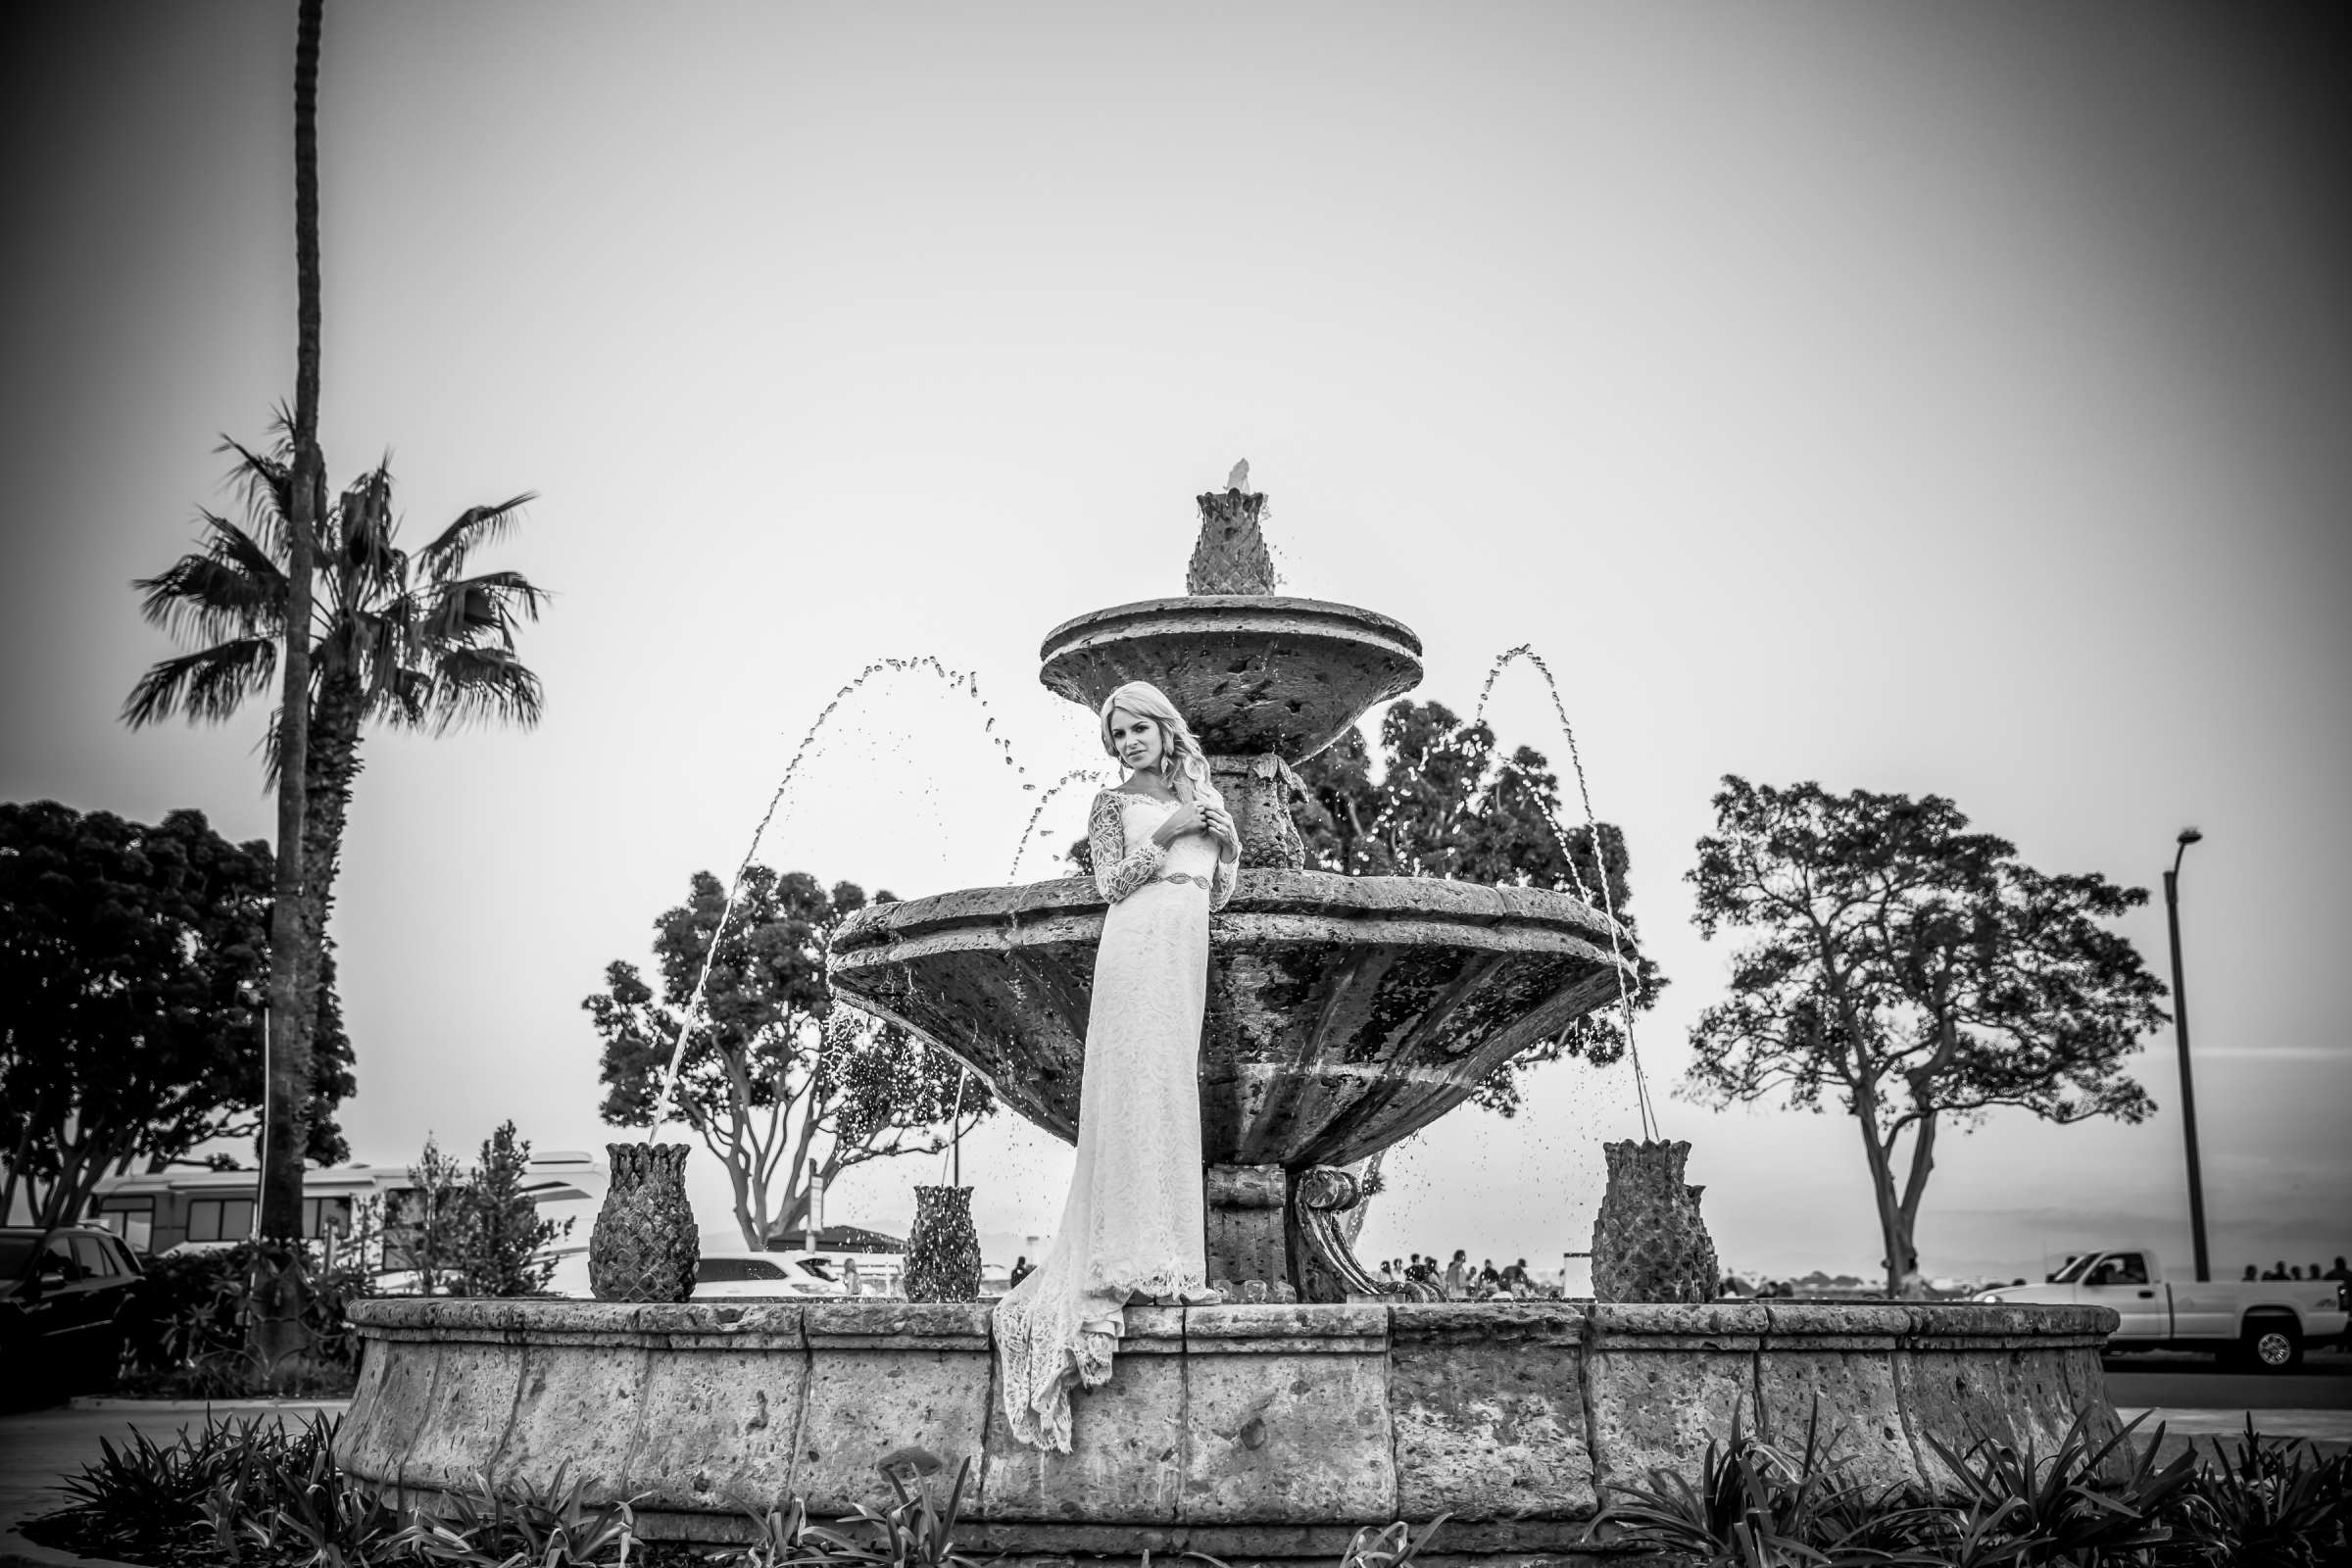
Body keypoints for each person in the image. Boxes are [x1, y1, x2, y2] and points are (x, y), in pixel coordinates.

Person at [993, 681, 1242, 1453]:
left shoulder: (1201, 792)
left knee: (1169, 1095)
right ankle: (1122, 1259)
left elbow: (1219, 890)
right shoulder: (1113, 804)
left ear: (1167, 732)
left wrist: (1222, 843)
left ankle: (1167, 1255)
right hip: (1135, 943)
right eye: (1118, 733)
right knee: (1133, 1091)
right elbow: (1110, 883)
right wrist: (1169, 828)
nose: (1128, 742)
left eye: (1139, 730)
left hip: (1186, 939)